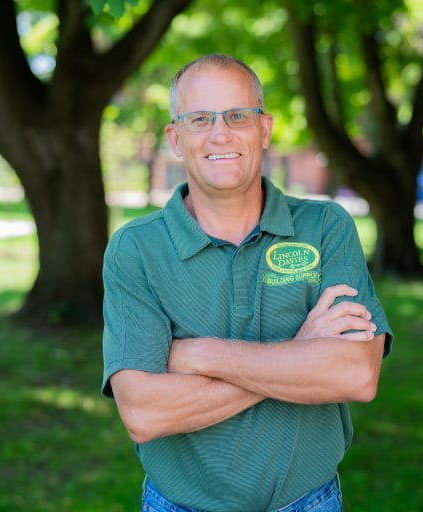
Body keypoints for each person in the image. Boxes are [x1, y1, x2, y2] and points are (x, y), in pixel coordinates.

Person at [101, 54, 393, 512]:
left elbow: (355, 374)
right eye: (200, 119)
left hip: (310, 501)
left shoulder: (325, 226)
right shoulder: (136, 249)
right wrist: (302, 352)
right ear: (175, 138)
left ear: (265, 129)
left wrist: (200, 355)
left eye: (238, 115)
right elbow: (144, 413)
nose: (220, 133)